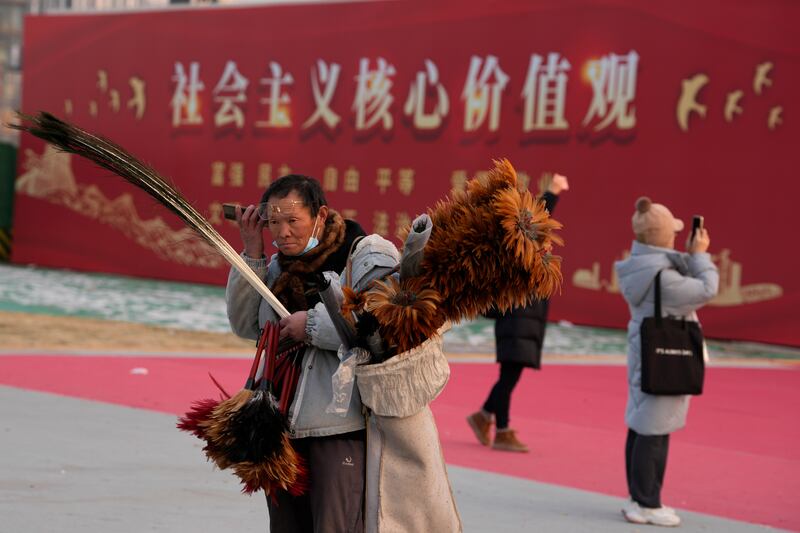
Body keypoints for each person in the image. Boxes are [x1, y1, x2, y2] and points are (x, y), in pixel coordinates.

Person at [225, 174, 394, 533]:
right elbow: (245, 325)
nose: (283, 233)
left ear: (321, 215)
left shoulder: (364, 256)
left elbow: (384, 327)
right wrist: (252, 253)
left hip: (340, 427)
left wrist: (313, 325)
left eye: (293, 220)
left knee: (335, 526)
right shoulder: (276, 267)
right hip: (279, 426)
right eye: (274, 223)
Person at [614, 197, 718, 527]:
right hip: (664, 357)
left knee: (642, 423)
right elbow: (708, 288)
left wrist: (689, 256)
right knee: (654, 430)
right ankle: (647, 503)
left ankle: (638, 498)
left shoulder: (643, 268)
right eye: (671, 233)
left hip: (646, 352)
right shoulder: (664, 278)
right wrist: (700, 256)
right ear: (662, 236)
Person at [466, 172, 569, 453]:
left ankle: (484, 417)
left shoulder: (516, 242)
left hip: (521, 320)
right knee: (509, 377)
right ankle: (501, 430)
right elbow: (539, 217)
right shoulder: (517, 244)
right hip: (518, 320)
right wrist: (553, 191)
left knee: (509, 376)